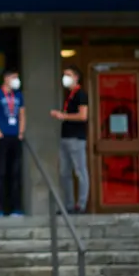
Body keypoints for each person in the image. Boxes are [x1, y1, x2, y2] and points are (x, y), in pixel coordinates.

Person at [0, 69, 26, 217]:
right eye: (14, 77)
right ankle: (0, 207)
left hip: (15, 137)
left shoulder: (18, 95)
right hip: (1, 138)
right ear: (6, 78)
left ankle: (15, 207)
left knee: (15, 173)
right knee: (1, 172)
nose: (16, 80)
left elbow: (22, 114)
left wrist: (21, 132)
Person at [50, 66, 90, 214]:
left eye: (68, 75)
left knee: (80, 171)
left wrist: (63, 116)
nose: (64, 77)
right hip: (65, 137)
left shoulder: (81, 94)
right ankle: (69, 205)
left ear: (76, 77)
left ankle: (81, 204)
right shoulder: (69, 94)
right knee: (64, 173)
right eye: (64, 74)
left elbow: (83, 116)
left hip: (76, 138)